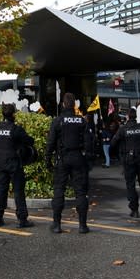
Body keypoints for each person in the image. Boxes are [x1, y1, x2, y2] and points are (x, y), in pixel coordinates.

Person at [45, 92, 94, 234]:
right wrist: (89, 160)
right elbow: (89, 142)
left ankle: (56, 224)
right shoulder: (82, 121)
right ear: (74, 105)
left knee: (59, 190)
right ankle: (82, 225)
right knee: (80, 192)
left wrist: (48, 159)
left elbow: (51, 143)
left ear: (63, 104)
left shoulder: (58, 121)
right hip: (78, 158)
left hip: (63, 158)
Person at [0, 103, 35, 228]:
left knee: (2, 190)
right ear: (13, 114)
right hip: (14, 164)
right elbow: (30, 141)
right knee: (18, 191)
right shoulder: (15, 129)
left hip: (0, 163)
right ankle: (22, 219)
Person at [110, 108, 140, 218]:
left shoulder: (123, 129)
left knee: (130, 185)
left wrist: (117, 157)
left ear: (127, 117)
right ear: (136, 117)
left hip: (128, 161)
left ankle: (134, 210)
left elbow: (113, 143)